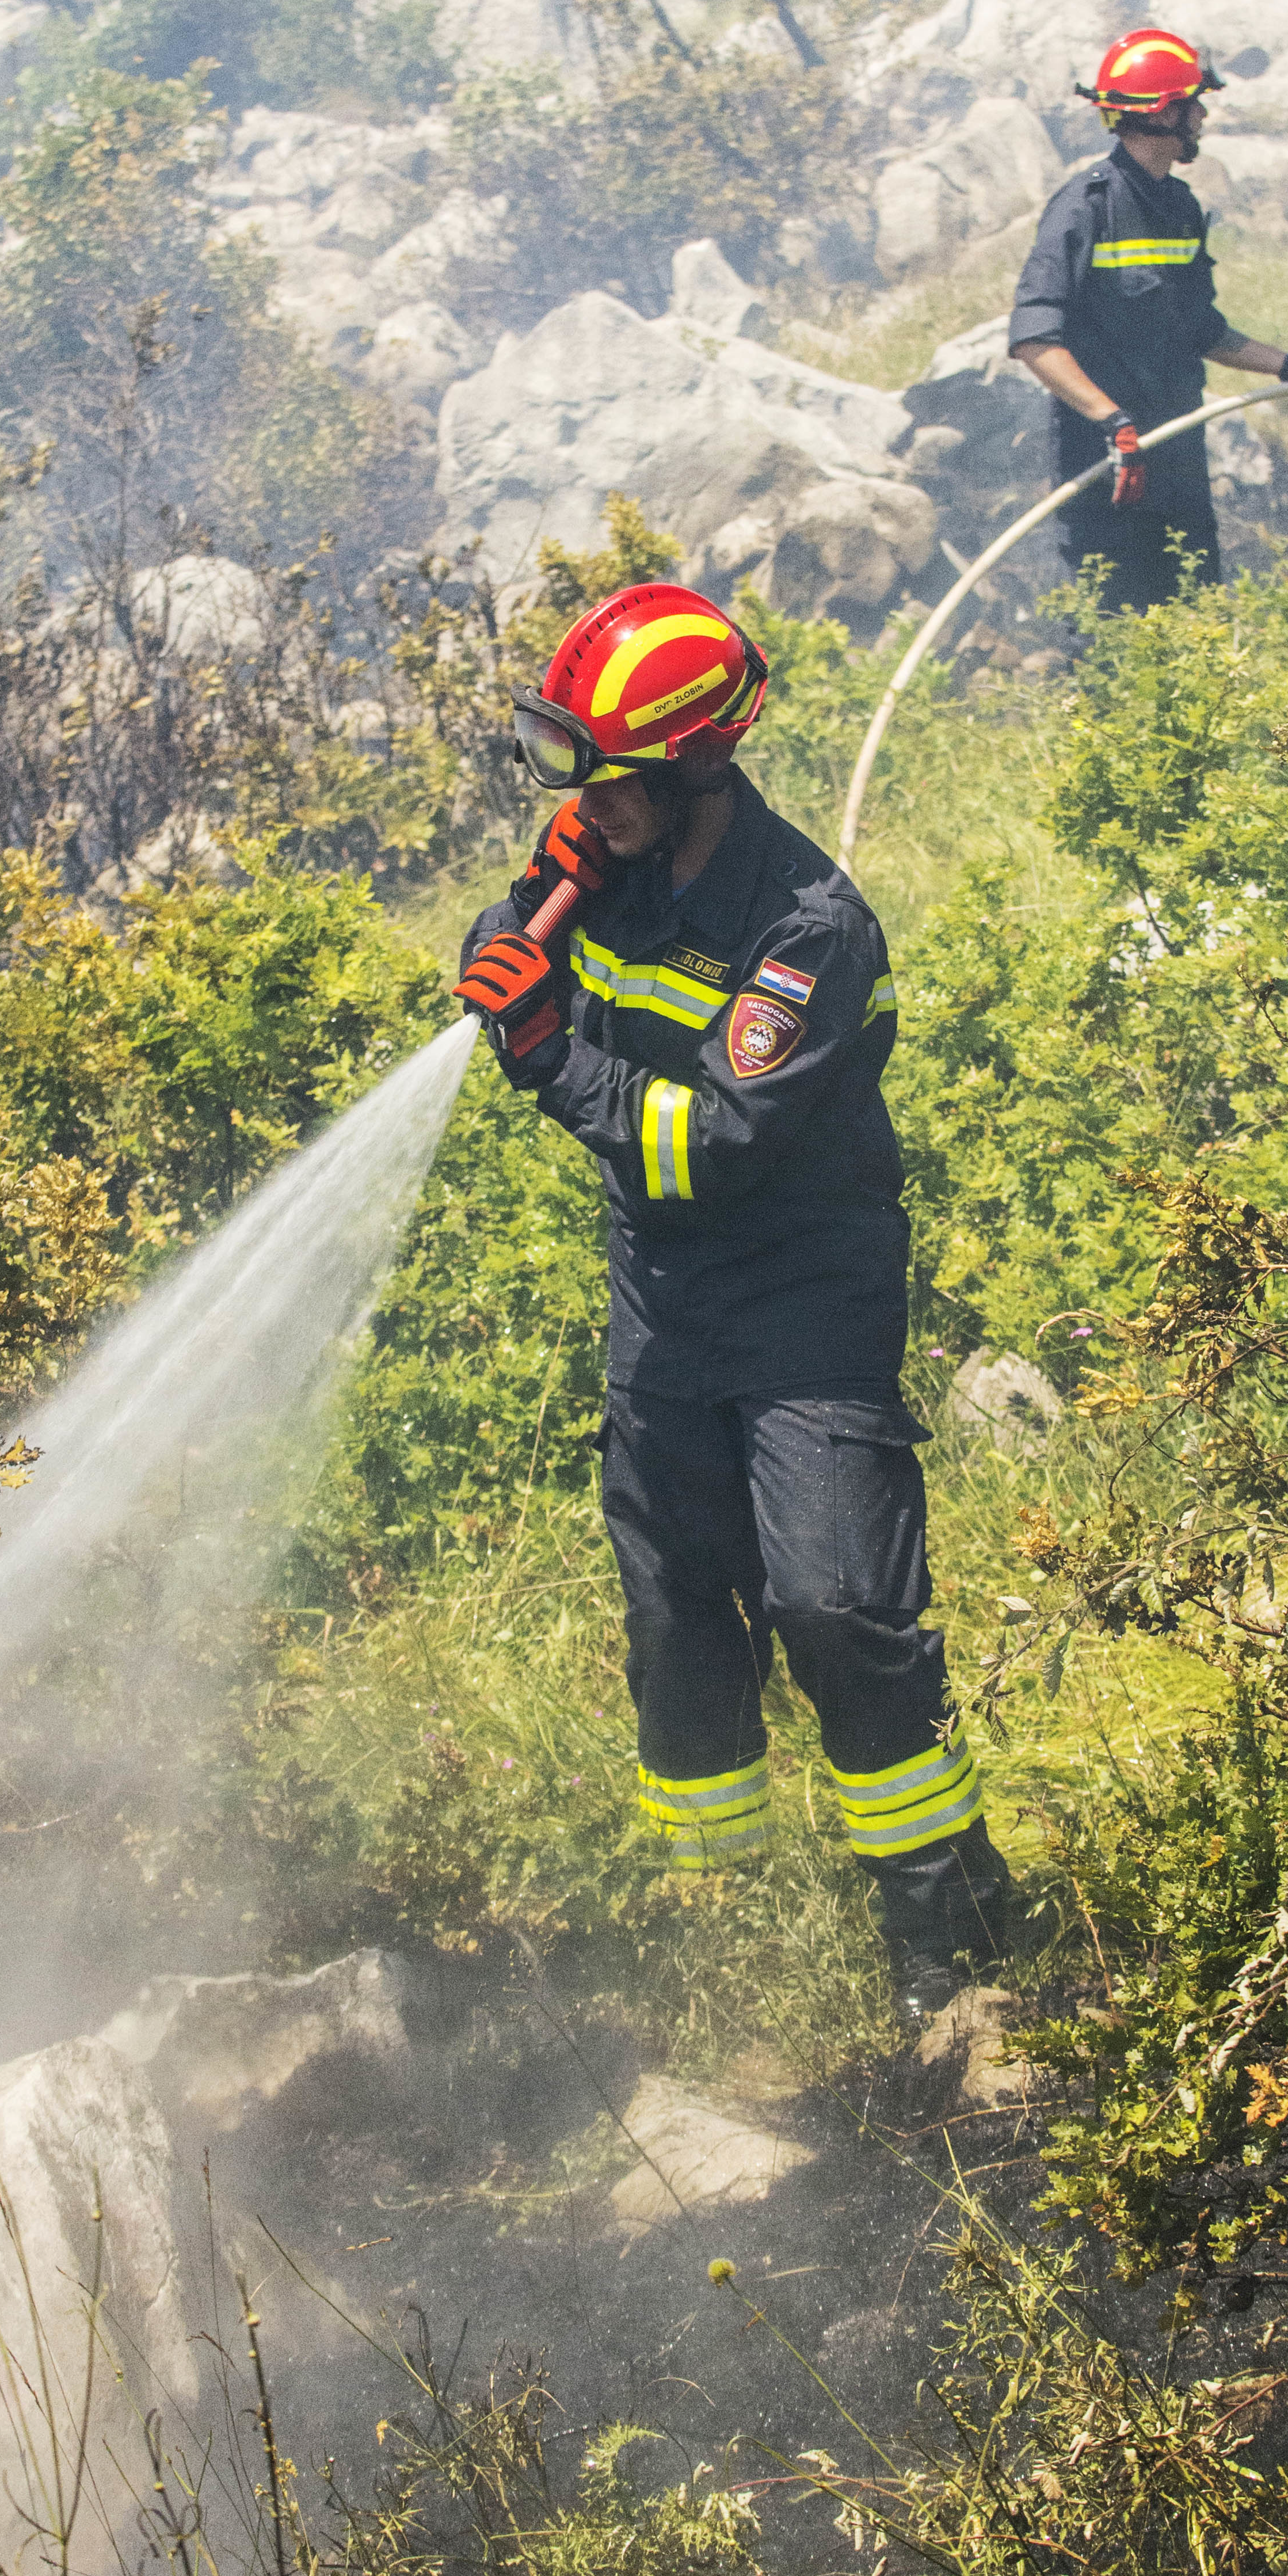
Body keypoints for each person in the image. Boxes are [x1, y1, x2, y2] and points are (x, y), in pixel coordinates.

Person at [449, 588, 1008, 2037]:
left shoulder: (809, 923)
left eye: (605, 773)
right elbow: (521, 944)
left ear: (698, 763)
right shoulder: (615, 859)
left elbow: (712, 1139)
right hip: (664, 1308)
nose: (582, 800)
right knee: (680, 1611)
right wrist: (519, 918)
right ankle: (713, 1924)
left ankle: (942, 1910)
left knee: (833, 1603)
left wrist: (541, 1054)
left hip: (801, 1307)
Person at [1008, 25, 1288, 615]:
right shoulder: (1085, 208)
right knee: (1112, 644)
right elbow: (1033, 339)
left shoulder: (1179, 207)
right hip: (1107, 468)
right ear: (1159, 114)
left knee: (1196, 626)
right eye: (1191, 104)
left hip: (1178, 461)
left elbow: (1202, 331)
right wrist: (1113, 423)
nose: (1202, 116)